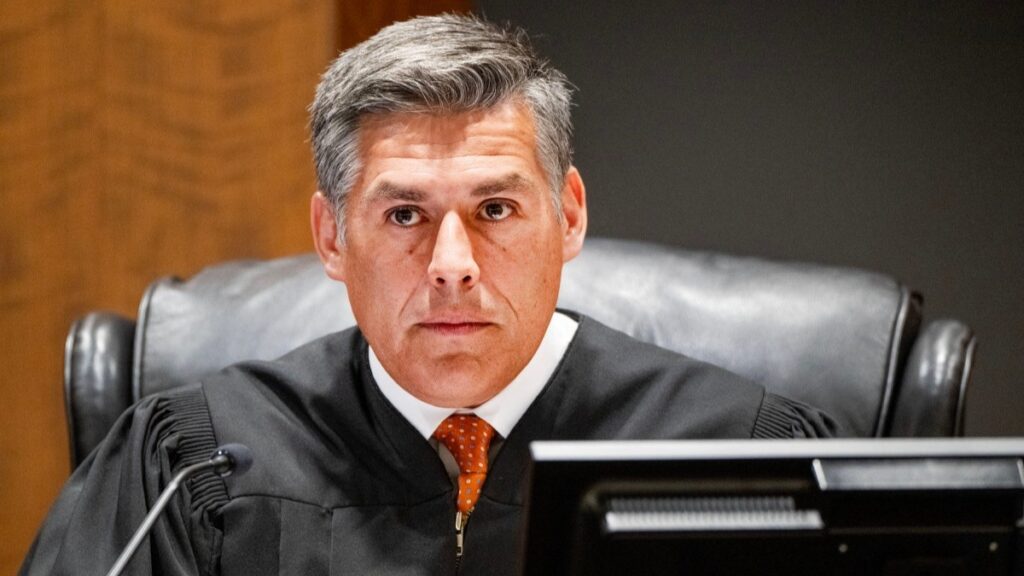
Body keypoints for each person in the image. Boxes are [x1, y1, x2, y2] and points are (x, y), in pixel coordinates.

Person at [21, 14, 838, 576]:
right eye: (405, 213)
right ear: (332, 237)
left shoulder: (739, 454)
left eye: (495, 209)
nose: (452, 263)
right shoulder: (197, 459)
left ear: (570, 216)